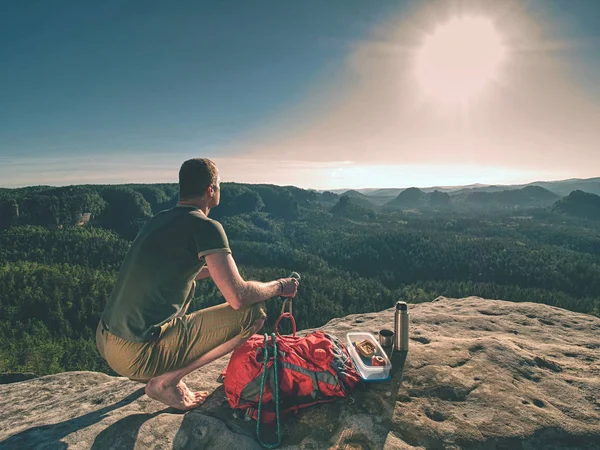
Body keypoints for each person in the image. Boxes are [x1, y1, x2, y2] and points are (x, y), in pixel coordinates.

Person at [96, 158, 299, 411]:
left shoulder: (157, 220)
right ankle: (167, 382)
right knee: (253, 314)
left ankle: (162, 367)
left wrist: (218, 272)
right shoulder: (206, 226)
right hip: (136, 354)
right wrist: (280, 286)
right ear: (211, 190)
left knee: (190, 282)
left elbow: (172, 271)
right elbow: (238, 297)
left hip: (105, 339)